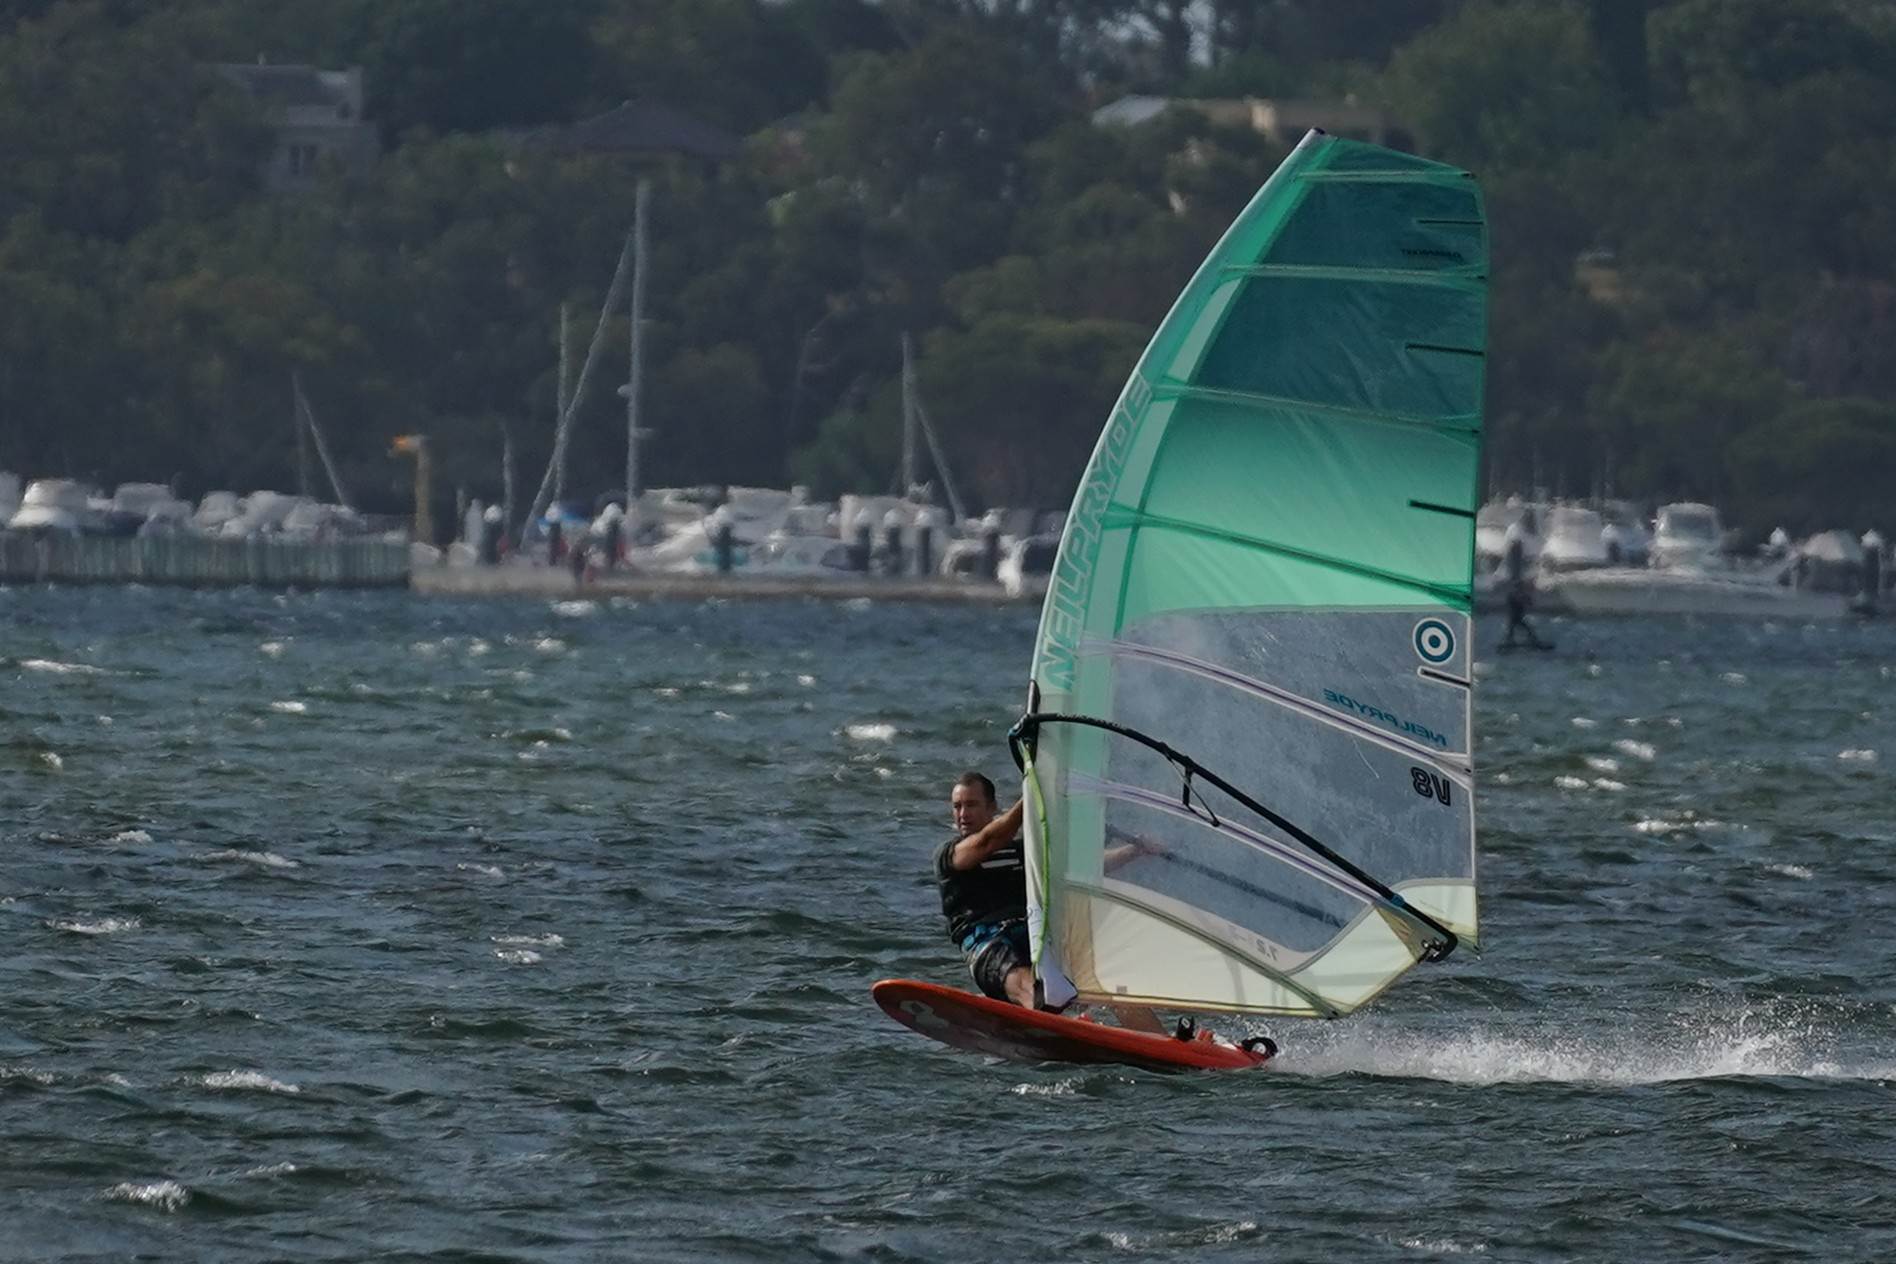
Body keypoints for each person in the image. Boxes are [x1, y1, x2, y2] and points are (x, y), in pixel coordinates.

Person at [934, 771, 1166, 1032]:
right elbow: (989, 840)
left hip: (1035, 932)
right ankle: (1065, 1027)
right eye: (957, 806)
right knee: (1027, 984)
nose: (963, 814)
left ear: (992, 807)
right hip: (988, 944)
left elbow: (1081, 868)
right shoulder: (951, 855)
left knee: (1107, 979)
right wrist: (1033, 795)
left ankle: (1165, 1044)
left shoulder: (1025, 851)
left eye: (971, 805)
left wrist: (1135, 850)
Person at [1500, 510, 1550, 650]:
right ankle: (1529, 639)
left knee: (1515, 614)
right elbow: (1514, 559)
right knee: (1515, 613)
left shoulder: (1523, 534)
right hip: (1517, 581)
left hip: (1521, 581)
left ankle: (1511, 639)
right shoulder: (1517, 534)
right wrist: (1516, 582)